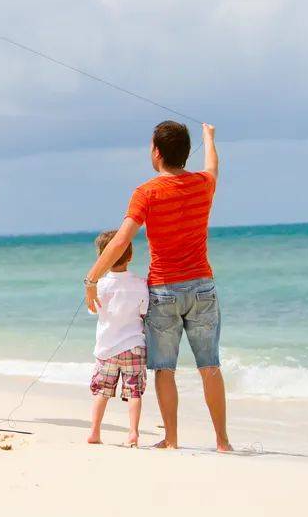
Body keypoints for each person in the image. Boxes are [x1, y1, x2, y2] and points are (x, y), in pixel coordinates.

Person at [82, 121, 232, 452]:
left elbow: (122, 239)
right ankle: (222, 441)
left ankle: (173, 439)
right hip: (203, 287)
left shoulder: (146, 192)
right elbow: (213, 166)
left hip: (164, 290)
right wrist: (209, 138)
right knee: (210, 366)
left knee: (165, 369)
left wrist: (92, 279)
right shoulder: (202, 184)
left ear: (157, 152)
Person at [86, 232, 148, 447]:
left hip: (106, 348)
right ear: (130, 256)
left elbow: (92, 309)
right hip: (134, 346)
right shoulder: (141, 283)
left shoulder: (100, 285)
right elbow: (144, 310)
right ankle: (133, 433)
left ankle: (94, 432)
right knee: (134, 392)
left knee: (101, 392)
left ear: (102, 258)